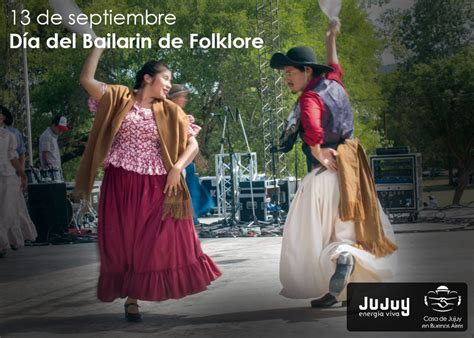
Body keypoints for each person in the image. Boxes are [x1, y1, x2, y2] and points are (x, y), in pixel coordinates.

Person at [75, 47, 221, 322]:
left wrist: (177, 167)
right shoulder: (119, 98)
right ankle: (132, 300)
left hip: (157, 185)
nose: (169, 85)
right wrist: (97, 47)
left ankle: (135, 297)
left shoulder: (170, 111)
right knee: (125, 242)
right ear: (146, 78)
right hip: (120, 183)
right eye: (165, 78)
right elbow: (86, 80)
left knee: (154, 241)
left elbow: (193, 143)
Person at [270, 18, 398, 307]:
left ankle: (342, 259)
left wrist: (317, 150)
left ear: (307, 71)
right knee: (351, 230)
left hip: (325, 174)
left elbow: (313, 129)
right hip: (353, 172)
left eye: (290, 72)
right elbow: (334, 65)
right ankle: (342, 290)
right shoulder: (334, 84)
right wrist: (331, 38)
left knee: (312, 234)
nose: (286, 78)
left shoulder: (310, 97)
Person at [167, 84, 215, 225]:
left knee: (193, 191)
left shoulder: (181, 116)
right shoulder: (167, 115)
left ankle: (190, 220)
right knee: (186, 192)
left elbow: (190, 142)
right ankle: (187, 221)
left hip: (186, 162)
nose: (185, 100)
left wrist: (198, 158)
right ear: (174, 98)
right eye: (182, 96)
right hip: (176, 162)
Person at [0, 106, 37, 258]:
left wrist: (22, 174)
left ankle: (6, 242)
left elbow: (13, 156)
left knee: (8, 210)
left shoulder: (9, 135)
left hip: (7, 175)